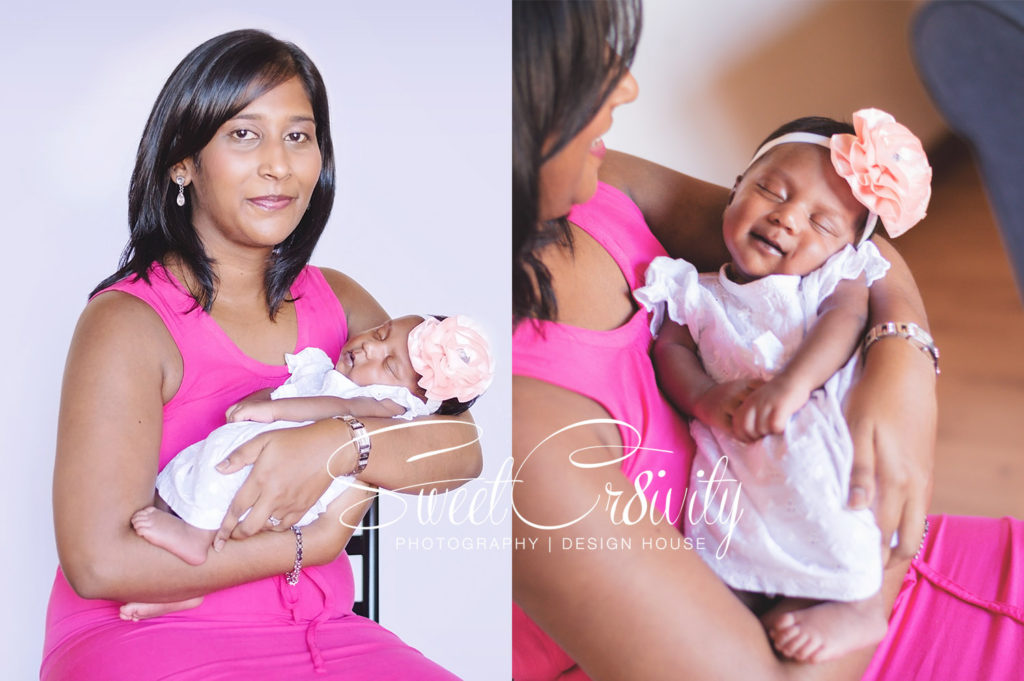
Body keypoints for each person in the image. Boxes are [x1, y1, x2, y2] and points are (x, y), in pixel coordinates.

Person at [512, 2, 1022, 680]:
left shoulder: (594, 182)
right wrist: (883, 562)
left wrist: (902, 365)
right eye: (580, 64)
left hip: (879, 561)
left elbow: (859, 259)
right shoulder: (522, 425)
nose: (625, 85)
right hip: (842, 623)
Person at [45, 29, 481, 680]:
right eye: (244, 135)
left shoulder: (340, 303)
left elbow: (459, 450)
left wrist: (339, 443)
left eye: (298, 136)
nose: (278, 164)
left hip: (324, 633)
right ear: (182, 162)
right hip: (149, 633)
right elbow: (99, 563)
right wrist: (313, 542)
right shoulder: (126, 323)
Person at [635, 111, 933, 663]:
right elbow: (669, 350)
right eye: (771, 189)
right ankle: (750, 589)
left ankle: (860, 602)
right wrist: (702, 396)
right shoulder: (692, 289)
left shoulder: (830, 282)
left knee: (829, 495)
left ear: (843, 248)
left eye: (822, 224)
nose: (787, 219)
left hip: (813, 418)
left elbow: (842, 324)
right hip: (735, 442)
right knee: (722, 530)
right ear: (735, 189)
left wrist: (794, 385)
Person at [122, 314, 493, 620]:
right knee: (186, 477)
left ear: (412, 400)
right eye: (380, 333)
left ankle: (194, 543)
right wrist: (265, 403)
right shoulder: (332, 371)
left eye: (389, 364)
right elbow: (303, 395)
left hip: (285, 480)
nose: (370, 347)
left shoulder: (383, 405)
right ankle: (183, 589)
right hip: (265, 451)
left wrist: (274, 410)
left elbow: (330, 408)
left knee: (221, 479)